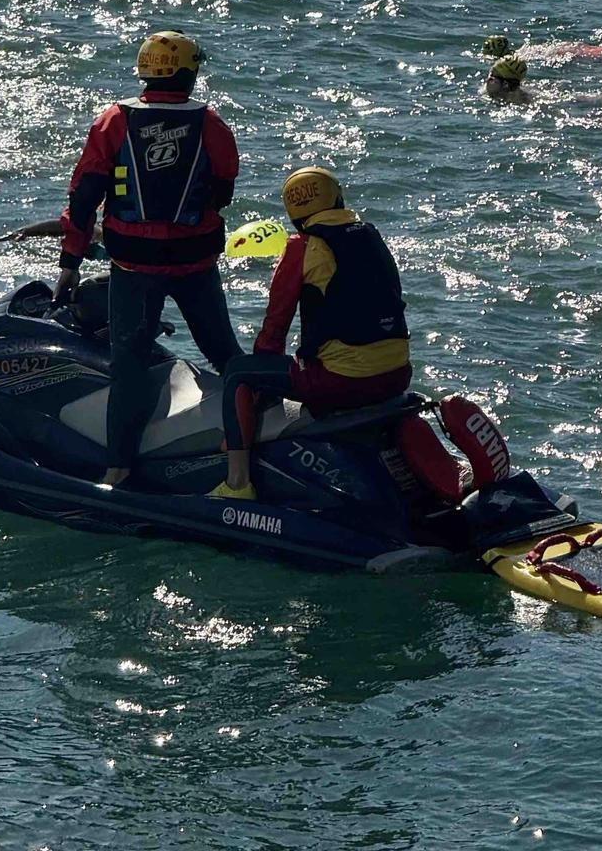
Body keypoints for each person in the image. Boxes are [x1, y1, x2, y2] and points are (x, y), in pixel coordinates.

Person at [56, 30, 241, 487]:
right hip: (195, 262)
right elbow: (224, 190)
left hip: (135, 267)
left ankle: (118, 470)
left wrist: (70, 261)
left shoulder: (113, 121)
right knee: (225, 354)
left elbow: (83, 197)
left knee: (130, 368)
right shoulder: (211, 124)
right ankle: (250, 447)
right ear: (189, 75)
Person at [210, 167, 411, 500]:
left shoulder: (302, 247)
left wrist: (259, 392)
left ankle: (236, 483)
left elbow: (274, 330)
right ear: (337, 197)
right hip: (398, 373)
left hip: (343, 382)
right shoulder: (371, 234)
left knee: (237, 374)